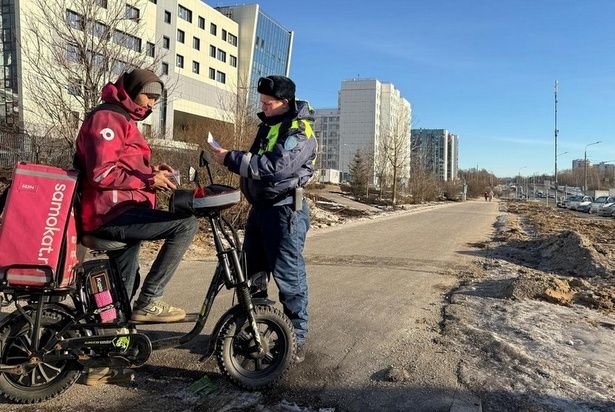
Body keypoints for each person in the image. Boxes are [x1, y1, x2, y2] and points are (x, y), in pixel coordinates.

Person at [75, 68, 198, 325]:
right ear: (132, 92)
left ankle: (107, 338)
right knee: (186, 225)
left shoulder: (123, 118)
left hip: (119, 210)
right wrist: (148, 180)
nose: (152, 102)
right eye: (148, 96)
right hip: (108, 214)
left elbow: (121, 166)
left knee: (123, 288)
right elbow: (101, 173)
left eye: (157, 98)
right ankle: (150, 300)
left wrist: (150, 172)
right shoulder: (109, 118)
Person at [211, 75, 316, 363]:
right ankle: (254, 331)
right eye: (262, 102)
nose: (264, 107)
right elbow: (255, 159)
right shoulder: (269, 125)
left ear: (285, 102)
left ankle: (295, 340)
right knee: (253, 275)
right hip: (261, 211)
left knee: (289, 278)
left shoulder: (299, 130)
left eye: (268, 103)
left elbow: (274, 168)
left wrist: (230, 159)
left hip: (284, 213)